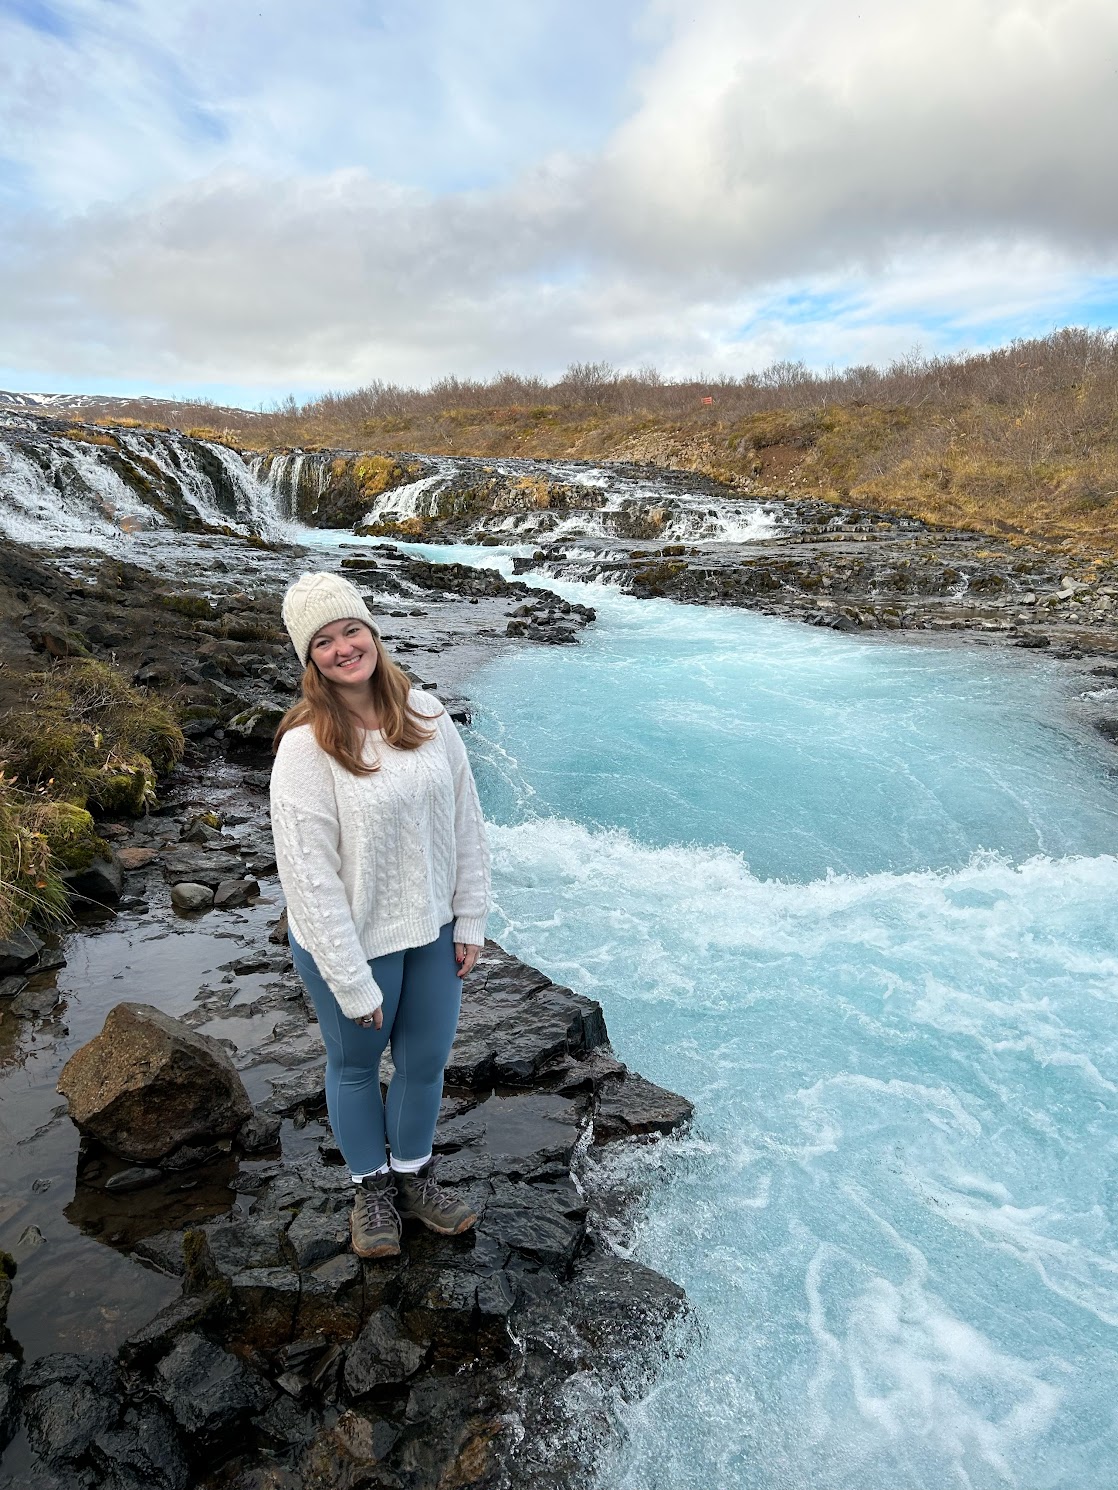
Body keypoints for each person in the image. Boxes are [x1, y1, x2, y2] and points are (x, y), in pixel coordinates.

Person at [270, 571, 490, 1259]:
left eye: (351, 630)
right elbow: (307, 876)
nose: (343, 649)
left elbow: (465, 821)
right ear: (310, 660)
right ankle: (369, 1188)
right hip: (352, 940)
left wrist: (470, 917)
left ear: (372, 632)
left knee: (425, 1063)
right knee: (358, 1064)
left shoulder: (426, 714)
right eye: (324, 642)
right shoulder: (305, 747)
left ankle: (412, 1175)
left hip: (428, 928)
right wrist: (349, 979)